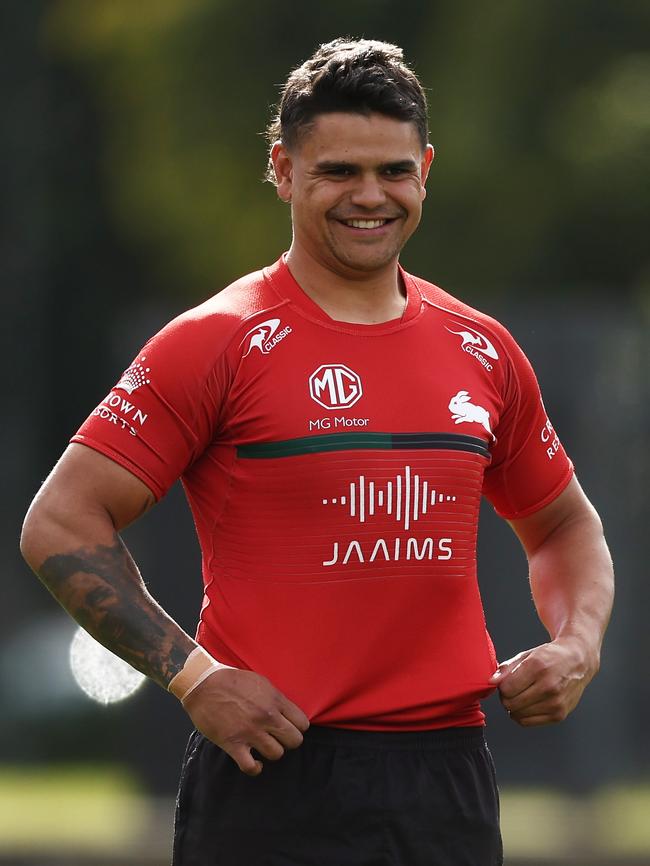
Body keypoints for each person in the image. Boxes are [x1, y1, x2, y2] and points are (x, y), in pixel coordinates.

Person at [21, 37, 614, 866]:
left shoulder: (482, 349)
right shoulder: (215, 342)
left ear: (425, 170)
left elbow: (562, 527)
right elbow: (58, 522)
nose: (370, 196)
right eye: (338, 171)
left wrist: (576, 645)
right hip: (272, 774)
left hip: (447, 781)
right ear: (283, 169)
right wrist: (193, 680)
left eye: (394, 171)